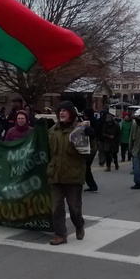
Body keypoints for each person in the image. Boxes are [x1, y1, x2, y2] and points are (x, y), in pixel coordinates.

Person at [47, 101, 89, 245]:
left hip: (73, 176)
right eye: (60, 110)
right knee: (57, 207)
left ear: (71, 113)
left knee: (74, 208)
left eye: (65, 110)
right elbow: (47, 151)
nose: (61, 113)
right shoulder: (53, 130)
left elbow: (89, 152)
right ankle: (60, 234)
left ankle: (79, 225)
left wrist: (92, 137)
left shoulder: (79, 130)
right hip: (56, 175)